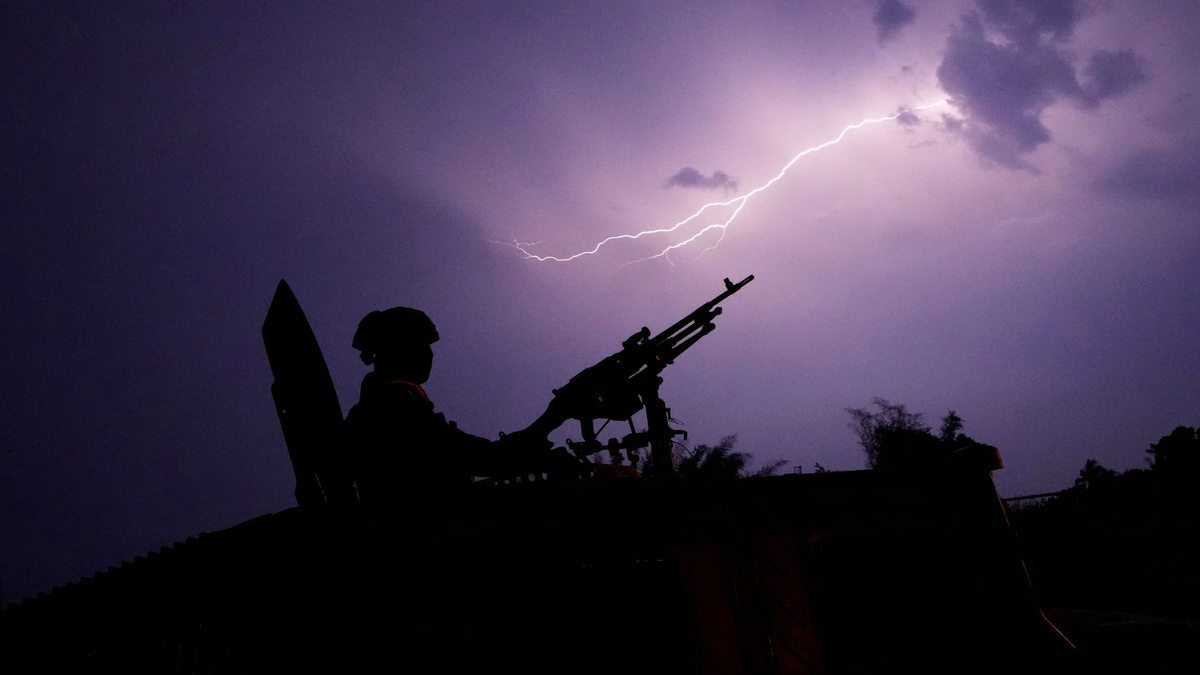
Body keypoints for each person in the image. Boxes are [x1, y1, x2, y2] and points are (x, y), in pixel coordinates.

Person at [343, 306, 567, 501]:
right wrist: (540, 448)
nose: (430, 354)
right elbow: (469, 455)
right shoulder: (391, 404)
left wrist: (539, 431)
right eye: (421, 345)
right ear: (401, 348)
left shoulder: (384, 401)